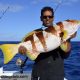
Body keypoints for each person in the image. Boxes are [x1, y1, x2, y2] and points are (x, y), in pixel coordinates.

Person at [18, 6, 76, 80]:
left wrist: (68, 39)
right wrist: (24, 51)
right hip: (39, 75)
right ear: (41, 18)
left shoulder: (61, 32)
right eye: (45, 17)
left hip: (57, 75)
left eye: (50, 16)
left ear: (53, 18)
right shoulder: (35, 33)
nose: (47, 18)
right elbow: (33, 57)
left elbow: (65, 56)